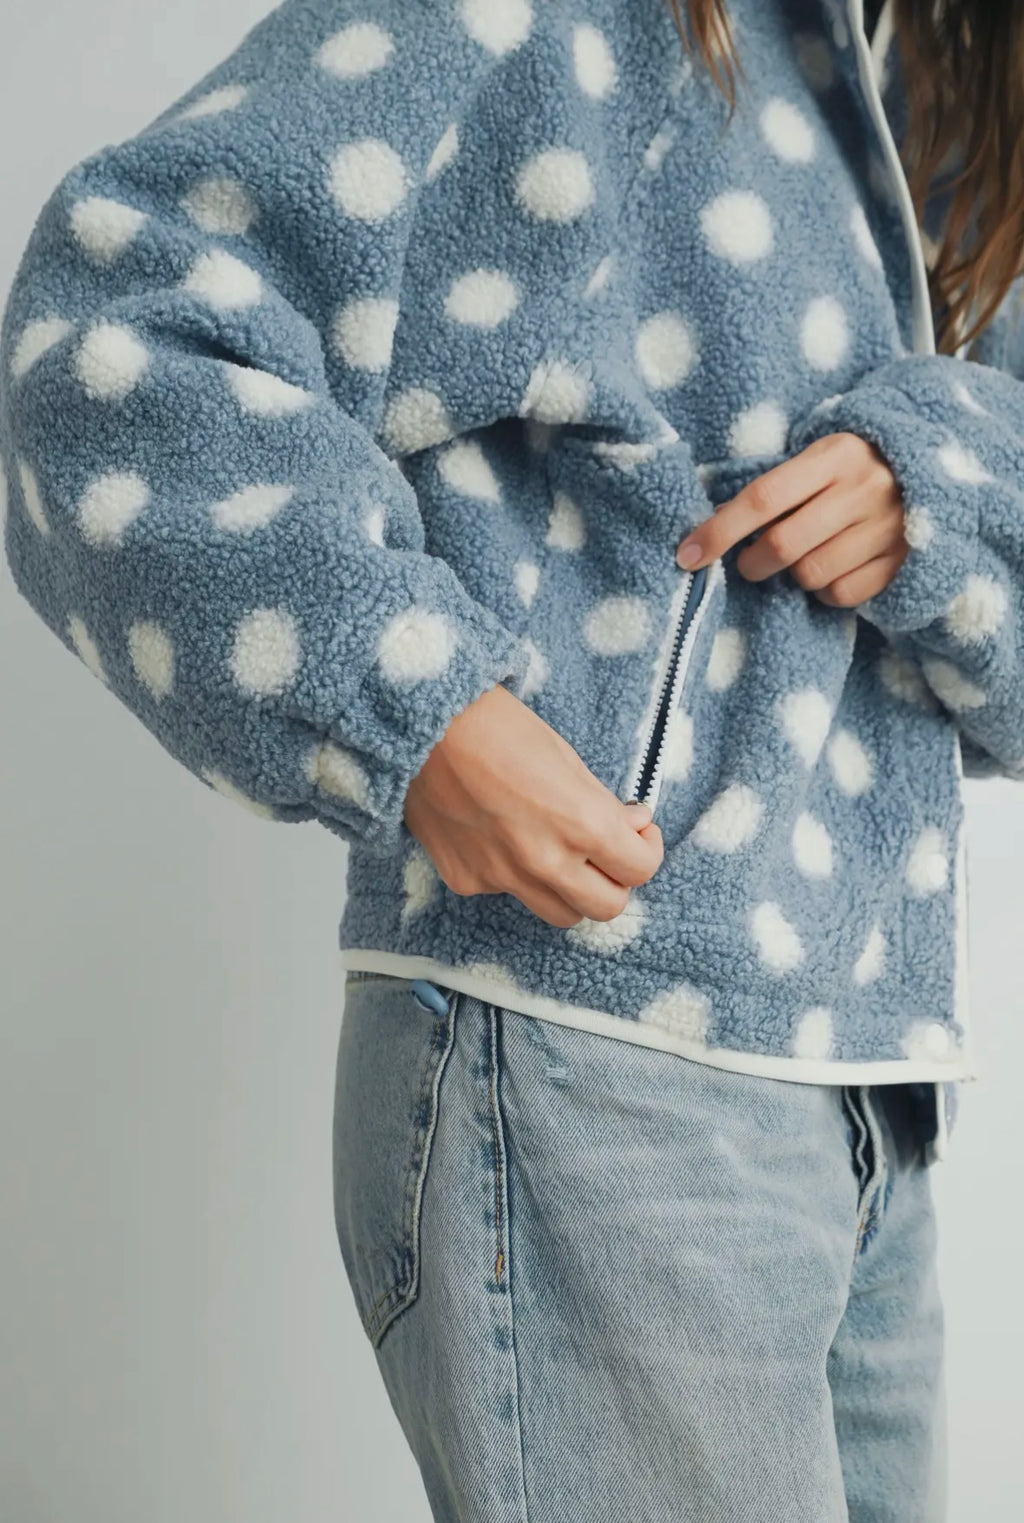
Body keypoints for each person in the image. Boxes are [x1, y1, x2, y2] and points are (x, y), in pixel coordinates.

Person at [3, 0, 1024, 1515]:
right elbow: (113, 331)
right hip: (596, 1054)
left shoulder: (951, 80)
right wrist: (403, 697)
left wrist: (944, 480)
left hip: (866, 1092)